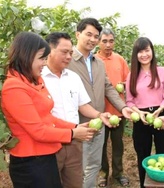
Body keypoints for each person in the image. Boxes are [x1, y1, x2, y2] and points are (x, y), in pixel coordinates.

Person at [1, 31, 97, 188]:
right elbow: (38, 131)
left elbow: (48, 118)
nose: (44, 63)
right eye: (41, 58)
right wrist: (72, 133)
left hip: (46, 157)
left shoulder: (34, 81)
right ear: (26, 56)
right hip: (31, 163)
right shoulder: (14, 88)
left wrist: (74, 127)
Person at [67, 18, 133, 188]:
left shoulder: (99, 63)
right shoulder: (68, 61)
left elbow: (108, 87)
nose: (92, 39)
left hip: (100, 119)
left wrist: (123, 107)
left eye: (95, 36)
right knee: (76, 166)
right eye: (88, 34)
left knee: (94, 164)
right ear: (77, 34)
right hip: (75, 122)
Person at [42, 32, 112, 188]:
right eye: (64, 52)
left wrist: (99, 115)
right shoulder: (39, 78)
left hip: (74, 141)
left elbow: (83, 105)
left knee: (74, 183)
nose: (69, 57)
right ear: (49, 51)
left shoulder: (73, 77)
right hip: (50, 142)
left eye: (71, 53)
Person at [125, 37, 164, 188]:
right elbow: (129, 101)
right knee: (143, 156)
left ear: (152, 51)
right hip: (141, 118)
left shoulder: (162, 71)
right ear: (135, 55)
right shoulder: (131, 75)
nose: (144, 54)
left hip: (161, 115)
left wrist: (159, 110)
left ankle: (162, 184)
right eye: (140, 51)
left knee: (163, 154)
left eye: (147, 50)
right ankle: (144, 185)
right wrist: (139, 113)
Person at [95, 28, 130, 187]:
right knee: (100, 145)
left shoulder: (120, 60)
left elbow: (128, 82)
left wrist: (123, 85)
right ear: (99, 42)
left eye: (111, 41)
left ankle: (118, 173)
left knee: (118, 145)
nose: (108, 45)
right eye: (104, 41)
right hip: (100, 112)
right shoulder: (94, 60)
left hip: (118, 112)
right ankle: (103, 173)